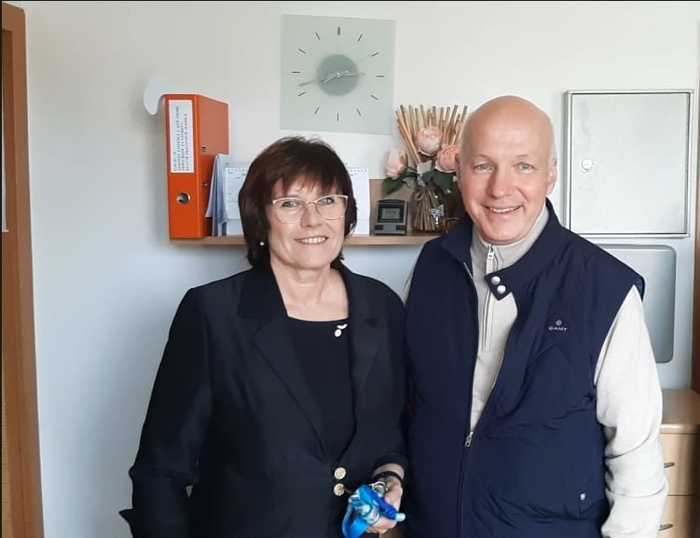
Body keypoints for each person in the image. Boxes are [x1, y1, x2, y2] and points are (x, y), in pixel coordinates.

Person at [404, 96, 667, 537]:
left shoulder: (604, 288)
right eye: (483, 166)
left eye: (523, 166)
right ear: (459, 171)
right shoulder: (431, 268)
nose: (500, 188)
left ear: (551, 175)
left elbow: (636, 454)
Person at [120, 137, 407, 538]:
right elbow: (160, 471)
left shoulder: (382, 306)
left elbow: (392, 431)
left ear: (346, 212)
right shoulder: (213, 314)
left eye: (328, 200)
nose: (313, 220)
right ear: (260, 217)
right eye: (290, 204)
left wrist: (391, 477)